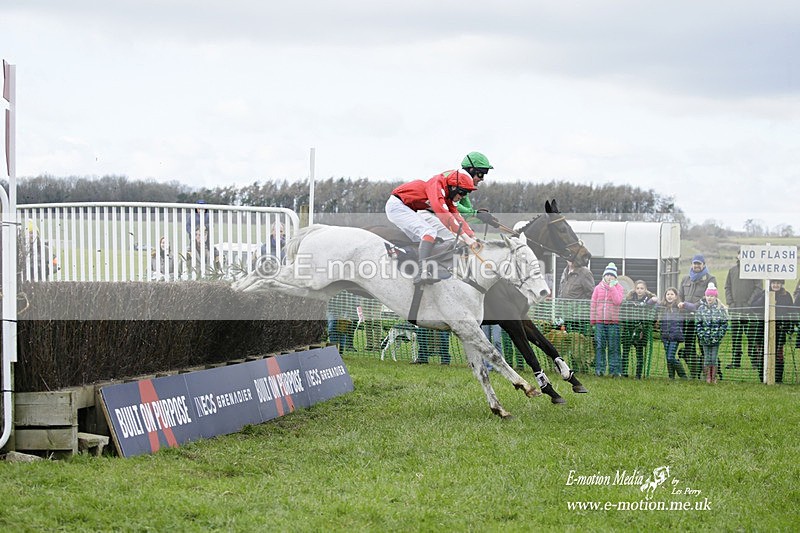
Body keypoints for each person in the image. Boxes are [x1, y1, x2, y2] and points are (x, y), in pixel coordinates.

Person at [385, 165, 479, 284]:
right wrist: (465, 238)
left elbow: (456, 216)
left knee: (430, 239)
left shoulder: (447, 193)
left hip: (407, 208)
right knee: (429, 233)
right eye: (462, 192)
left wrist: (472, 236)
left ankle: (412, 262)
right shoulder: (437, 186)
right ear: (454, 187)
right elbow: (444, 215)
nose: (462, 197)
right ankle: (421, 273)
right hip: (397, 206)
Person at [678, 254, 717, 379]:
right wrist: (681, 304)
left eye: (699, 263)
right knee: (689, 346)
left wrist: (692, 306)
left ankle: (708, 374)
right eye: (695, 263)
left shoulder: (710, 279)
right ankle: (694, 372)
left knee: (703, 346)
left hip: (703, 319)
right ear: (692, 264)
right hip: (687, 318)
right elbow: (680, 295)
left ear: (703, 265)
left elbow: (709, 297)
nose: (696, 266)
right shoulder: (685, 279)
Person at [682, 283, 729, 384]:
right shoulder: (701, 309)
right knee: (707, 358)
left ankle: (713, 376)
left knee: (714, 358)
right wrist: (701, 334)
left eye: (712, 296)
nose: (709, 298)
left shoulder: (720, 309)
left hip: (716, 339)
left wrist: (719, 334)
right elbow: (698, 323)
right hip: (704, 339)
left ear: (715, 296)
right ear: (705, 296)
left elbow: (724, 324)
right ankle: (707, 376)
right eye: (708, 296)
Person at [751, 280, 794, 383]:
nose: (776, 285)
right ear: (770, 283)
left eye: (778, 283)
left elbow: (790, 311)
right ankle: (763, 377)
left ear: (781, 284)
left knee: (778, 354)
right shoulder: (762, 294)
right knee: (763, 353)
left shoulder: (786, 295)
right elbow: (754, 307)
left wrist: (790, 326)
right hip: (763, 328)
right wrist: (764, 298)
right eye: (774, 283)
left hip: (780, 329)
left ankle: (778, 378)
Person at [724, 252, 761, 369]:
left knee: (752, 337)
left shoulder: (755, 271)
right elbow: (727, 287)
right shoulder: (732, 270)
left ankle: (755, 362)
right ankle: (735, 361)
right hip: (735, 309)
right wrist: (730, 302)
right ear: (737, 256)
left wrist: (749, 303)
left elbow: (759, 288)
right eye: (741, 254)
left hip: (750, 311)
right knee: (736, 337)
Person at [590, 262, 625, 377]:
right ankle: (599, 369)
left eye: (612, 275)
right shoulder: (597, 288)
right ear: (604, 276)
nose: (609, 277)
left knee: (613, 346)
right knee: (600, 346)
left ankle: (615, 370)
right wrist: (593, 321)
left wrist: (612, 288)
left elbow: (618, 301)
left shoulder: (619, 288)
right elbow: (593, 305)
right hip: (600, 323)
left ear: (615, 277)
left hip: (613, 323)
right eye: (607, 275)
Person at [620, 280, 658, 379]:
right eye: (637, 288)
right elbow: (623, 313)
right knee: (625, 351)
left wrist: (648, 325)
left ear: (645, 289)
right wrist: (624, 324)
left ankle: (638, 374)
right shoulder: (629, 299)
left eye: (642, 288)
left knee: (639, 352)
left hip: (642, 329)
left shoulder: (649, 300)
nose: (639, 290)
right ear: (635, 289)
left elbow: (654, 315)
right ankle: (624, 372)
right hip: (629, 328)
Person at [655, 287, 688, 379]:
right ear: (665, 296)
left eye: (672, 294)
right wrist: (653, 298)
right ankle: (671, 376)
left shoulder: (679, 308)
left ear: (676, 296)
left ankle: (683, 375)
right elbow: (653, 306)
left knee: (670, 357)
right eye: (667, 294)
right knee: (668, 357)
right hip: (665, 335)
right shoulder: (662, 307)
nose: (669, 296)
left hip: (675, 336)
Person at [558, 259, 595, 335]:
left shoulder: (585, 273)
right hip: (565, 314)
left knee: (578, 341)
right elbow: (561, 291)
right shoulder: (565, 271)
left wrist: (580, 308)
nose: (570, 259)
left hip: (578, 317)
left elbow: (591, 294)